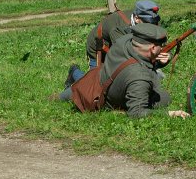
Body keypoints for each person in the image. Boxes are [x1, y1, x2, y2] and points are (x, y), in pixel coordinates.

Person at [51, 24, 188, 119]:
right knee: (164, 97)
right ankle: (73, 76)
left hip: (93, 80)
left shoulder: (123, 41)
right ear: (152, 49)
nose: (162, 48)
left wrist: (159, 61)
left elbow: (138, 57)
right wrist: (170, 113)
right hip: (103, 99)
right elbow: (136, 113)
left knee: (76, 88)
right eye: (160, 46)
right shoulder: (140, 78)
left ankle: (63, 91)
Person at [63, 0, 162, 89]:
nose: (151, 26)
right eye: (147, 23)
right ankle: (74, 72)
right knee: (94, 86)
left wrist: (164, 59)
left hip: (121, 47)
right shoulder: (119, 28)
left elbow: (162, 47)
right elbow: (123, 55)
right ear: (136, 19)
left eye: (153, 22)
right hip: (99, 47)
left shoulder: (153, 21)